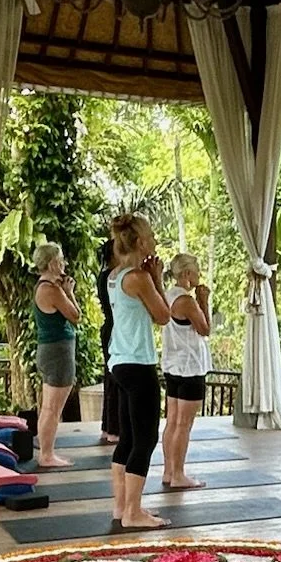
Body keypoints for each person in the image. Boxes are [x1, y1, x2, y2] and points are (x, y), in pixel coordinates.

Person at [105, 214, 173, 530]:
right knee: (145, 438)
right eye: (152, 237)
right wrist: (157, 277)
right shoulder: (139, 278)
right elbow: (163, 316)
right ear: (142, 243)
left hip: (119, 363)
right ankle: (133, 512)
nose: (156, 241)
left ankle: (122, 508)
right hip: (138, 364)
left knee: (128, 437)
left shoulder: (114, 276)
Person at [160, 252, 213, 490]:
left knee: (172, 422)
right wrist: (204, 300)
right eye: (197, 270)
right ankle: (179, 473)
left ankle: (168, 471)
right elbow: (205, 329)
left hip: (173, 364)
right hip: (190, 367)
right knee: (183, 424)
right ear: (188, 274)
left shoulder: (167, 296)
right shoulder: (187, 301)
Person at [30, 243, 81, 471]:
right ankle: (46, 455)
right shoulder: (51, 290)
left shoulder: (43, 287)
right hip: (57, 351)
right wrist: (69, 292)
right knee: (52, 408)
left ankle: (46, 452)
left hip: (50, 350)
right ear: (52, 263)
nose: (64, 263)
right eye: (60, 259)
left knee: (49, 407)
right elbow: (75, 315)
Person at [94, 238, 121, 446]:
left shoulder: (105, 276)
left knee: (111, 378)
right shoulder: (112, 276)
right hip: (114, 327)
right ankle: (113, 428)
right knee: (115, 379)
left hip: (109, 327)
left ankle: (107, 426)